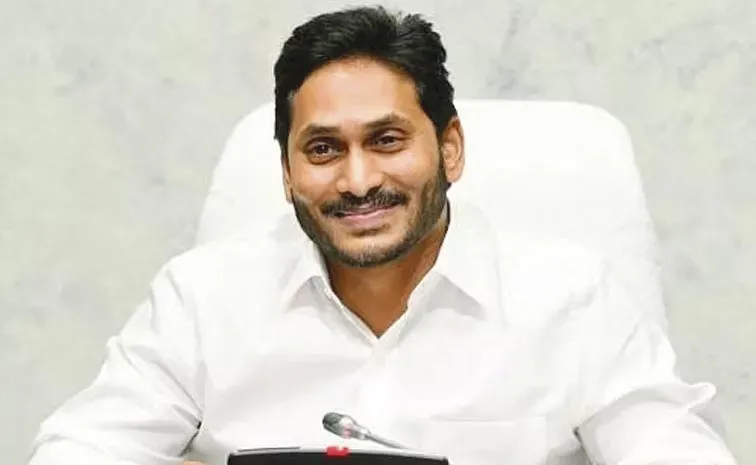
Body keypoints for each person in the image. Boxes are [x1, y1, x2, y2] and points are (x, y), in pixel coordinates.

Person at [29, 5, 737, 465]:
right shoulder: (202, 298)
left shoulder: (572, 299)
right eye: (323, 149)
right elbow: (75, 451)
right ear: (286, 172)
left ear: (450, 149)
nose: (358, 179)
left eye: (387, 140)